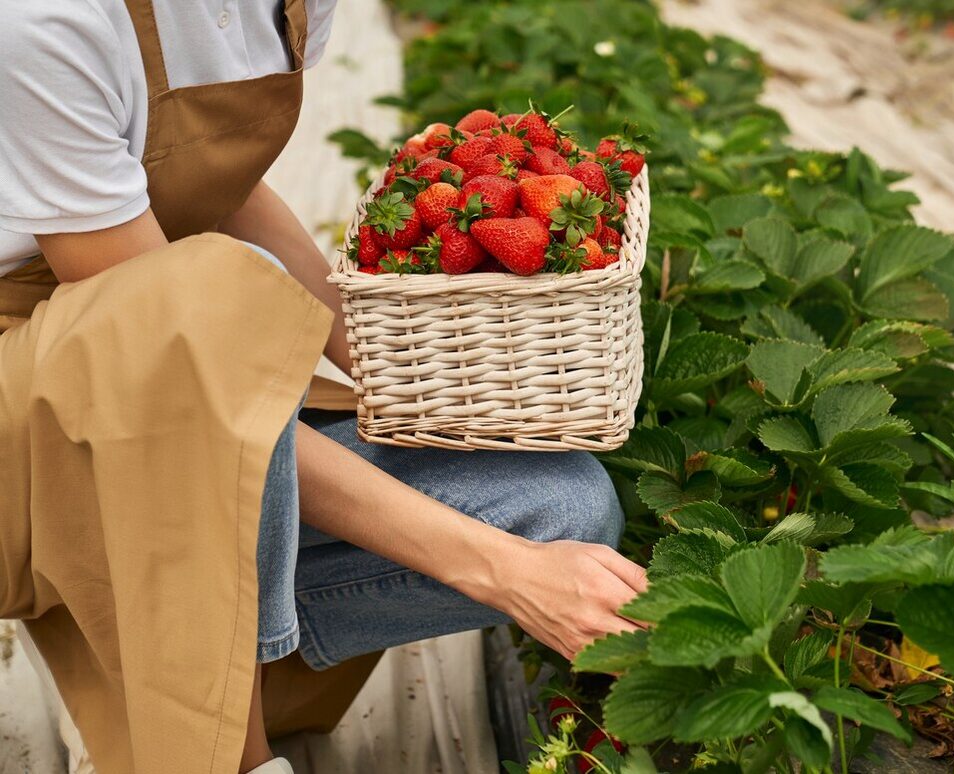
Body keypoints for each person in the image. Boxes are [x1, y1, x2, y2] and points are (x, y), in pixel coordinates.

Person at [0, 3, 647, 773]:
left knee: (561, 510)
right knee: (215, 294)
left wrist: (398, 373)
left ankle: (156, 671)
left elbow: (217, 189)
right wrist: (499, 569)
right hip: (32, 432)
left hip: (178, 383)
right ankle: (221, 751)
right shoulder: (49, 21)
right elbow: (171, 366)